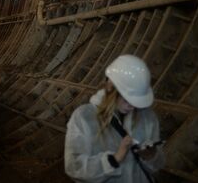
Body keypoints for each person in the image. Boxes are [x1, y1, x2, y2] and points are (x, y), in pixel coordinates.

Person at [65, 54, 164, 182]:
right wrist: (114, 159)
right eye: (128, 100)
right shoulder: (84, 117)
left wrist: (151, 156)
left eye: (137, 102)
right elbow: (75, 167)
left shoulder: (147, 117)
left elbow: (157, 166)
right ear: (110, 88)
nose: (133, 107)